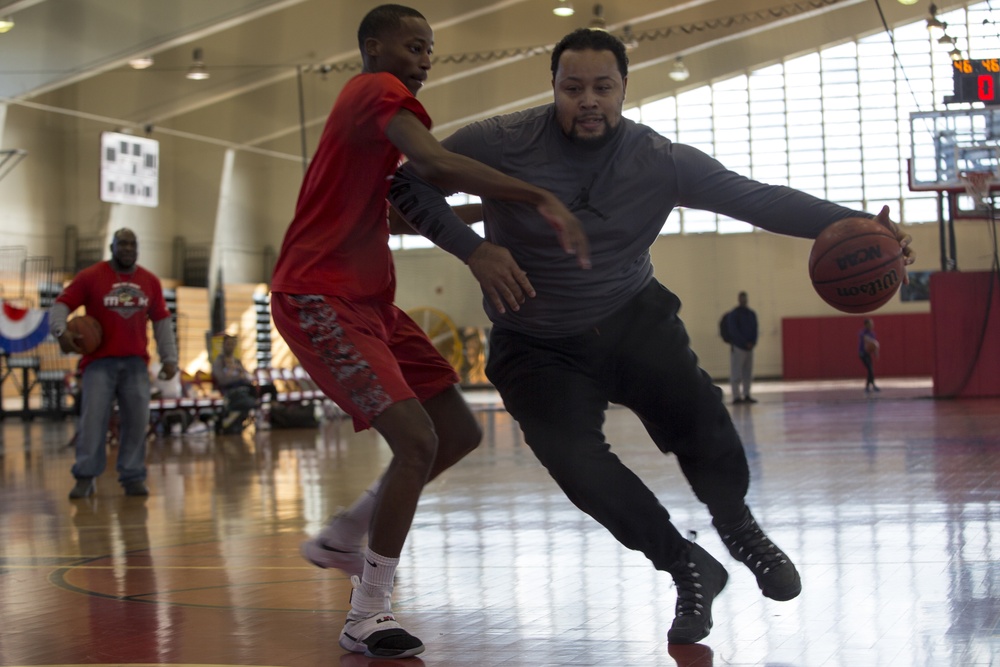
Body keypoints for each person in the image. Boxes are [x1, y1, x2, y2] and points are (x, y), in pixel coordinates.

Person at [387, 28, 916, 645]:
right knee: (578, 467)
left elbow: (760, 200)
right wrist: (475, 251)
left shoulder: (659, 160)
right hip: (535, 341)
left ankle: (737, 524)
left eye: (603, 88)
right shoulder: (502, 142)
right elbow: (407, 184)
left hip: (631, 316)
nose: (588, 100)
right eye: (573, 87)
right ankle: (685, 565)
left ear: (624, 91)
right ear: (553, 88)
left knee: (701, 421)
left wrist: (859, 224)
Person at [268, 5, 587, 659]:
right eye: (413, 46)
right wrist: (536, 195)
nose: (424, 59)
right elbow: (437, 166)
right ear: (372, 46)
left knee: (458, 431)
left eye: (429, 49)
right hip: (318, 297)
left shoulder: (368, 129)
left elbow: (398, 210)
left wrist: (488, 210)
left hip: (371, 304)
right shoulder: (374, 92)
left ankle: (343, 536)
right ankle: (367, 613)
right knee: (415, 440)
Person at [49, 228, 178, 499]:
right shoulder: (90, 277)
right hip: (99, 364)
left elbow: (162, 322)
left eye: (133, 244)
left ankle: (133, 477)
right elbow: (61, 305)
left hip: (135, 363)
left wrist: (170, 359)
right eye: (123, 244)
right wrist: (61, 332)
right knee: (93, 421)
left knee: (136, 422)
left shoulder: (149, 281)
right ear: (112, 246)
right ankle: (85, 476)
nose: (128, 249)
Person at [212, 333, 256, 433]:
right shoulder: (219, 361)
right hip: (229, 391)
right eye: (228, 344)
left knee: (265, 389)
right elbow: (222, 380)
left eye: (232, 344)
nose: (230, 347)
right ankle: (230, 421)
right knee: (247, 401)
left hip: (243, 388)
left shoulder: (237, 362)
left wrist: (241, 376)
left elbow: (247, 376)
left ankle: (235, 420)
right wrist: (237, 377)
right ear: (223, 345)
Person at [725, 291, 758, 404]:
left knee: (747, 373)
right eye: (742, 298)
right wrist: (744, 343)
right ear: (738, 299)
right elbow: (734, 331)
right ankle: (736, 396)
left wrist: (752, 342)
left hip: (749, 348)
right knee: (736, 373)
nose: (743, 300)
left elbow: (755, 329)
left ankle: (747, 394)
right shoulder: (734, 314)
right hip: (739, 347)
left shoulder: (751, 314)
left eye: (745, 298)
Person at [858, 318, 880, 393]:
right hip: (862, 353)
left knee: (870, 369)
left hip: (868, 353)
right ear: (866, 325)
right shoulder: (863, 332)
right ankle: (872, 386)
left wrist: (876, 352)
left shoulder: (872, 333)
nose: (872, 325)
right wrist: (875, 343)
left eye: (872, 324)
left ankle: (869, 386)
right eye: (870, 324)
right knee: (870, 369)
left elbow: (873, 346)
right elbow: (866, 339)